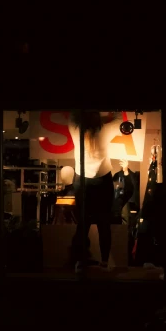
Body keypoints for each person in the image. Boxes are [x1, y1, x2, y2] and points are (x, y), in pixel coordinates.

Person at [68, 110, 123, 272]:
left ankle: (79, 261)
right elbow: (119, 119)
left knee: (83, 224)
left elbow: (72, 114)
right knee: (104, 224)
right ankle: (104, 262)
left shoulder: (76, 129)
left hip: (82, 179)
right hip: (102, 179)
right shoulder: (105, 130)